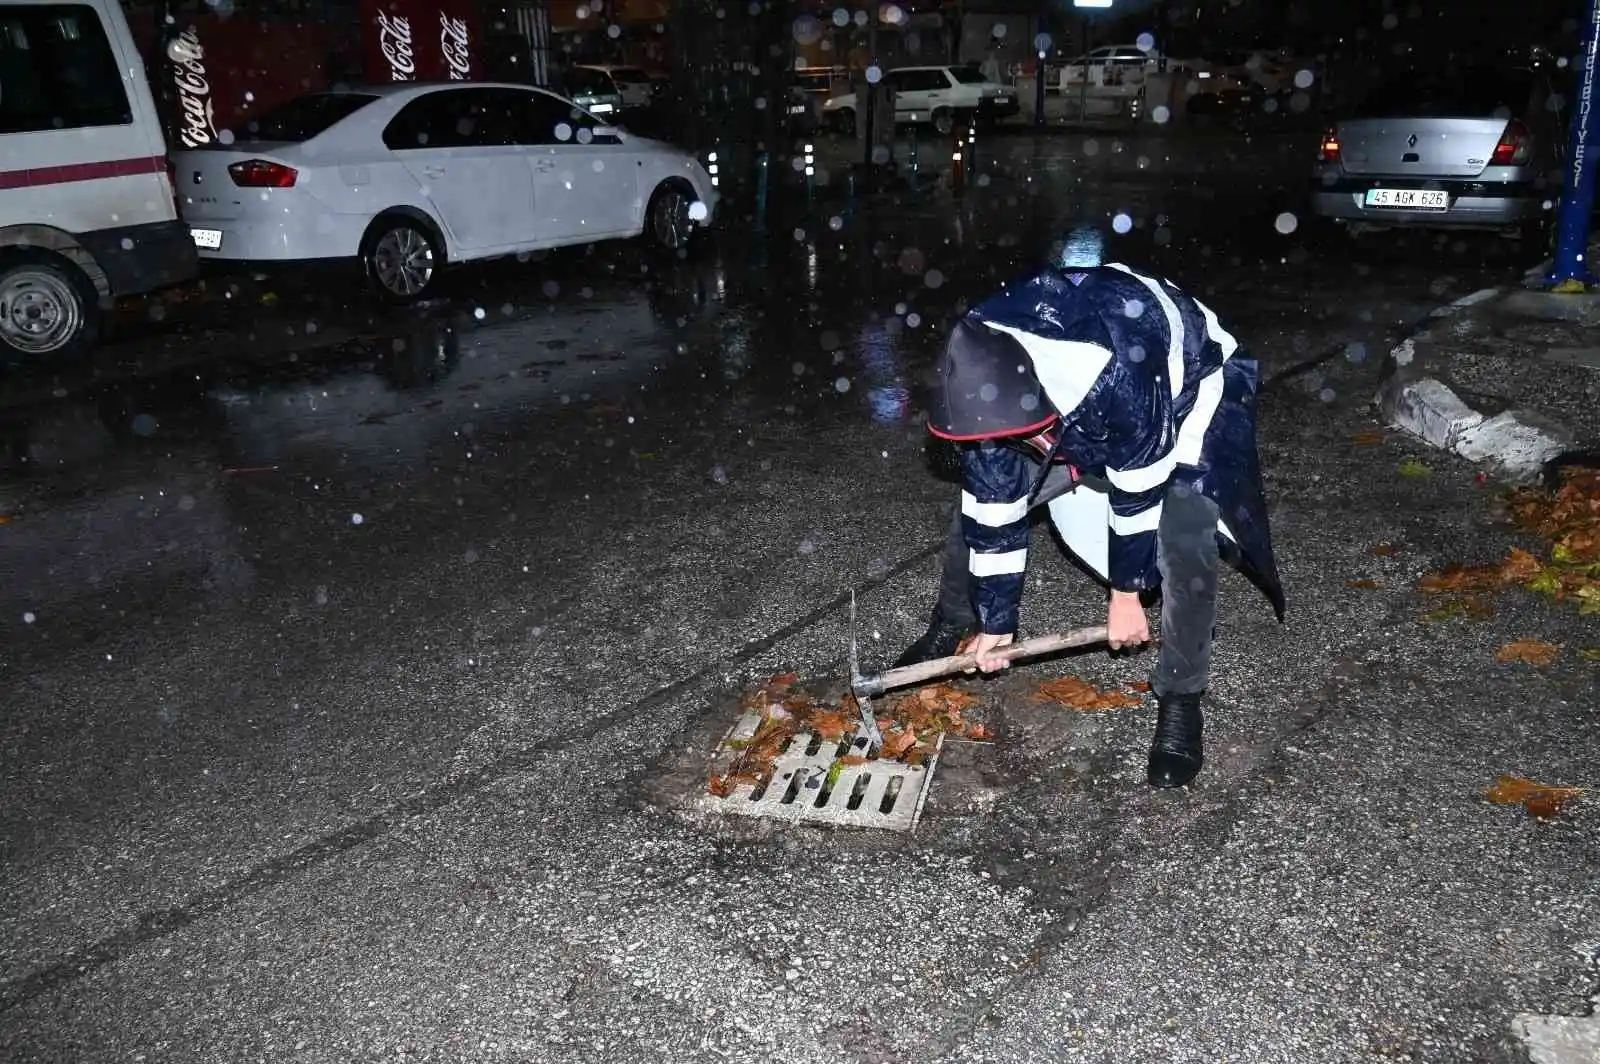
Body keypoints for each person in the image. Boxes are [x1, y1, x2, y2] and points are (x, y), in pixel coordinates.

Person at [898, 262, 1286, 788]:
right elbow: (996, 512)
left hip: (1187, 391)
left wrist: (1126, 594)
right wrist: (997, 624)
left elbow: (1138, 489)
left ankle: (1181, 694)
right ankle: (954, 620)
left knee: (1185, 536)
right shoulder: (982, 370)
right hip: (1060, 407)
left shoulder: (1121, 375)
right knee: (973, 507)